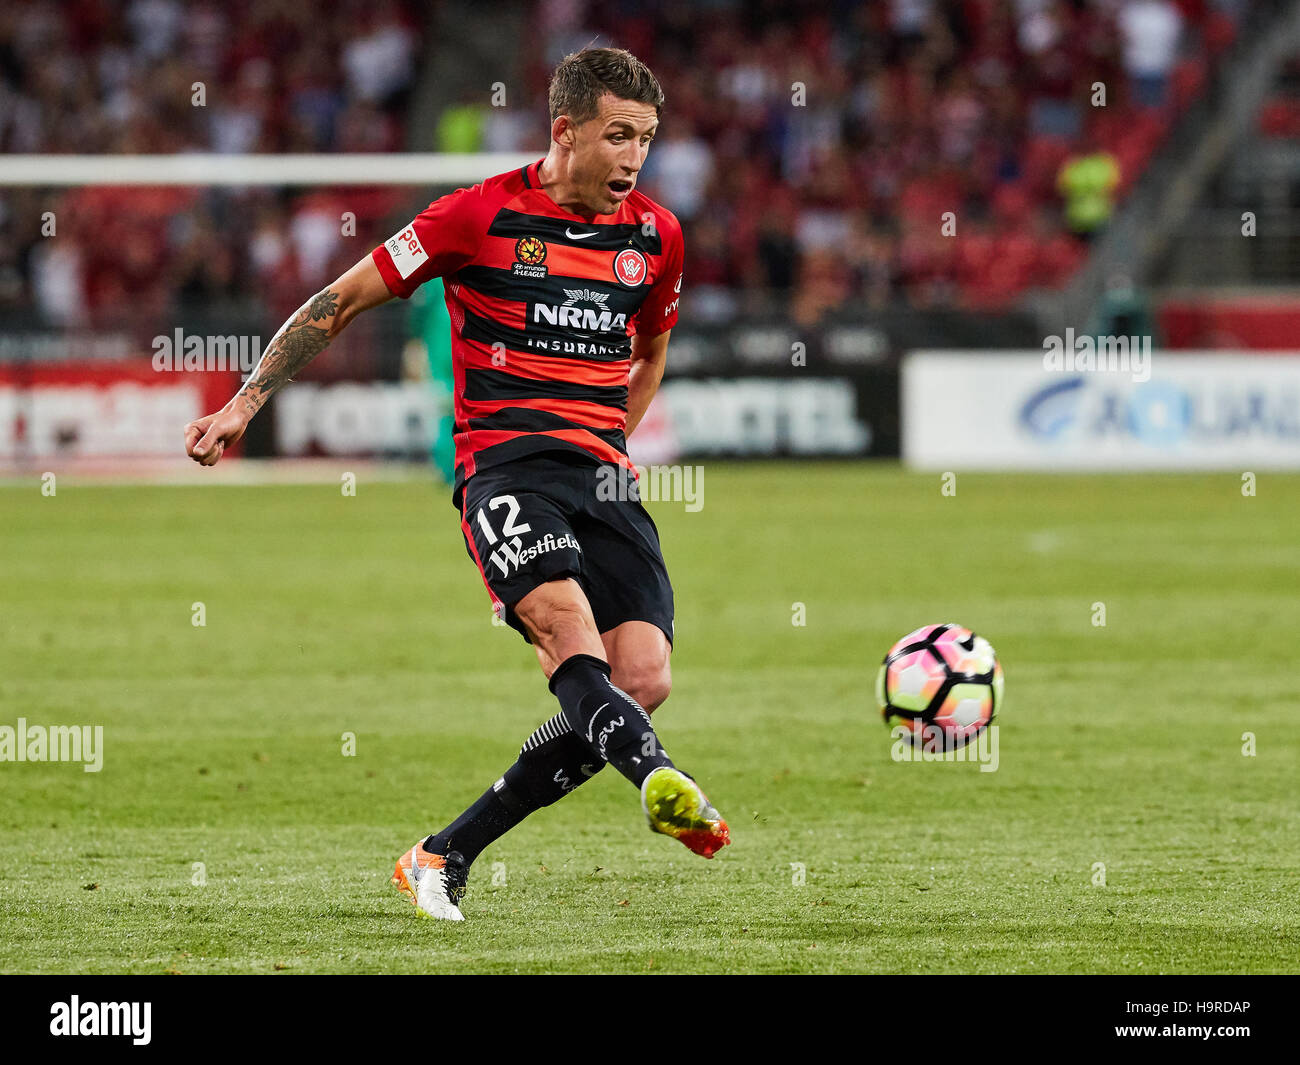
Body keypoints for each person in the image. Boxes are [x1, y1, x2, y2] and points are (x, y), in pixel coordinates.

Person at [183, 47, 729, 921]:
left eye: (648, 140)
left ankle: (444, 852)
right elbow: (343, 298)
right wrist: (245, 400)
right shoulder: (476, 216)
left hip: (604, 478)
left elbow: (652, 350)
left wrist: (609, 441)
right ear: (565, 131)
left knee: (644, 674)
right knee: (570, 637)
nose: (635, 158)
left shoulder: (656, 236)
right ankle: (660, 776)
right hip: (503, 470)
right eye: (618, 136)